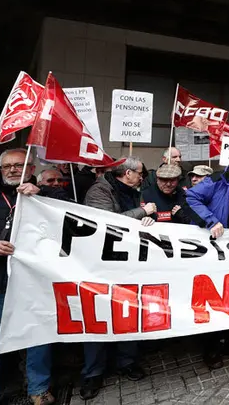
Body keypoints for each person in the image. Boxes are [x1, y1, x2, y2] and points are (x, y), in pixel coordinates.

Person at [0, 148, 68, 405]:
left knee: (37, 339)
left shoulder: (48, 198)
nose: (12, 170)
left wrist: (42, 193)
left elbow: (75, 214)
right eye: (7, 166)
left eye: (19, 165)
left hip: (34, 285)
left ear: (31, 169)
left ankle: (38, 388)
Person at [80, 157, 154, 400]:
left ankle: (127, 362)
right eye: (140, 173)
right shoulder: (100, 190)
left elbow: (132, 222)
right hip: (101, 266)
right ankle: (93, 373)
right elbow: (108, 222)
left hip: (127, 265)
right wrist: (142, 211)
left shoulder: (133, 190)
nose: (142, 177)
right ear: (128, 173)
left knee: (128, 313)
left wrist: (146, 220)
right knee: (99, 318)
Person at [185, 149, 229, 369]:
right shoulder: (216, 181)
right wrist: (210, 221)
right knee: (217, 298)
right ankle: (212, 348)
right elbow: (191, 197)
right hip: (216, 248)